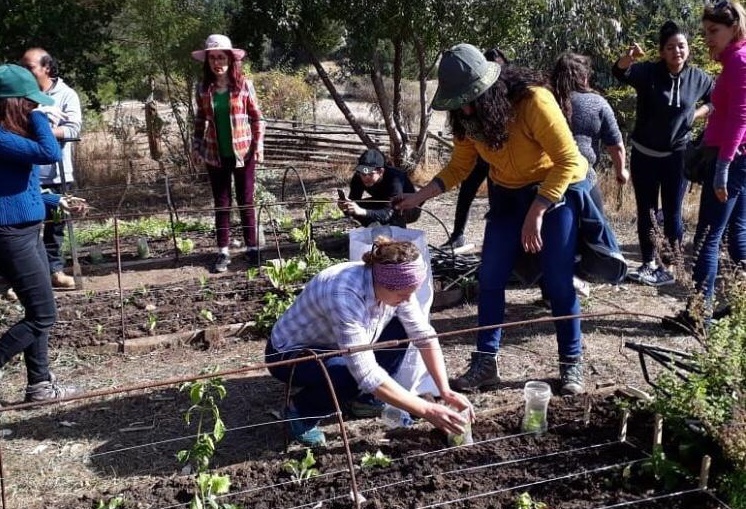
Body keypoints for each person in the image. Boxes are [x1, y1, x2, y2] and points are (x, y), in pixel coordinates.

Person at [396, 44, 589, 395]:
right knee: (490, 277)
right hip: (505, 198)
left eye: (472, 99)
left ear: (490, 89)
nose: (466, 108)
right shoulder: (467, 119)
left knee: (560, 282)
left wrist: (538, 209)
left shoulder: (533, 102)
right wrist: (418, 196)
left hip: (552, 194)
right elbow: (459, 167)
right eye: (459, 102)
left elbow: (570, 161)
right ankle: (486, 363)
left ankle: (570, 363)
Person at [265, 237, 473, 446]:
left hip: (336, 344)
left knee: (403, 325)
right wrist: (426, 409)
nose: (408, 299)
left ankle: (366, 399)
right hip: (289, 354)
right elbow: (364, 372)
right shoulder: (344, 293)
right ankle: (300, 412)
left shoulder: (393, 284)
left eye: (412, 293)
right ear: (385, 284)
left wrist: (445, 390)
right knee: (350, 376)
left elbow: (424, 335)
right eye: (403, 294)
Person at [0, 64, 80, 402]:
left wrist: (55, 200)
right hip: (11, 234)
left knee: (38, 312)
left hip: (27, 229)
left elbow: (21, 187)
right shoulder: (2, 137)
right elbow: (49, 153)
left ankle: (40, 384)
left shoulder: (12, 137)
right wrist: (40, 119)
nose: (34, 106)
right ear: (12, 103)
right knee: (44, 314)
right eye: (29, 102)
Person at [612, 21, 714, 286]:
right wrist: (629, 57)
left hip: (676, 156)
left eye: (681, 46)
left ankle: (671, 264)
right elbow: (620, 73)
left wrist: (697, 114)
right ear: (661, 51)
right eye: (670, 47)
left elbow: (716, 100)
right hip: (645, 155)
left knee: (672, 212)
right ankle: (648, 263)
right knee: (646, 211)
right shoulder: (649, 73)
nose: (676, 52)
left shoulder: (699, 78)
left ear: (688, 49)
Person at [666, 0, 746, 330]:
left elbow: (741, 117)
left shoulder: (740, 60)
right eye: (705, 32)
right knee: (736, 232)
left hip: (731, 162)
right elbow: (724, 105)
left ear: (734, 29)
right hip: (738, 161)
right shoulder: (734, 61)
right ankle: (736, 303)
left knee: (707, 239)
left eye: (714, 31)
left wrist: (724, 165)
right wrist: (701, 113)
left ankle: (699, 315)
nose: (708, 38)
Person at [191, 34, 265, 273]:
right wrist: (196, 146)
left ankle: (252, 248)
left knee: (246, 201)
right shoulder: (203, 89)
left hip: (244, 152)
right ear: (208, 62)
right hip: (215, 153)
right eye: (213, 58)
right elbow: (200, 119)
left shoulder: (244, 85)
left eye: (221, 57)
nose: (217, 62)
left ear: (231, 59)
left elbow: (257, 118)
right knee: (222, 204)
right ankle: (223, 251)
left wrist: (259, 144)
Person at [20, 48, 83, 290]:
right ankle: (26, 279)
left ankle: (55, 271)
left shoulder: (66, 95)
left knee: (55, 228)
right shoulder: (20, 95)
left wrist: (39, 131)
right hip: (27, 173)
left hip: (58, 173)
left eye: (30, 67)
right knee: (28, 228)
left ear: (46, 68)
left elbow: (72, 130)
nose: (25, 72)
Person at [442, 47, 509, 249]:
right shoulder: (470, 98)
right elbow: (458, 164)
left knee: (495, 196)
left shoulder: (505, 93)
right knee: (466, 191)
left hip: (497, 155)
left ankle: (496, 242)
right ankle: (458, 235)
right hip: (478, 156)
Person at [551, 52, 629, 212]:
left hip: (546, 179)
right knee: (597, 231)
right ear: (585, 77)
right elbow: (616, 145)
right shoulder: (597, 103)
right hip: (583, 178)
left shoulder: (546, 100)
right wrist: (621, 171)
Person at [338, 148, 420, 228]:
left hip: (407, 207)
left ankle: (396, 233)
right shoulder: (358, 177)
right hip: (382, 202)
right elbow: (354, 201)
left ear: (381, 172)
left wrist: (363, 211)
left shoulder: (394, 178)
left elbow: (391, 212)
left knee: (394, 216)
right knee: (356, 207)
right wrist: (346, 207)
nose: (365, 178)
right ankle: (372, 228)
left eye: (370, 174)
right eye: (362, 174)